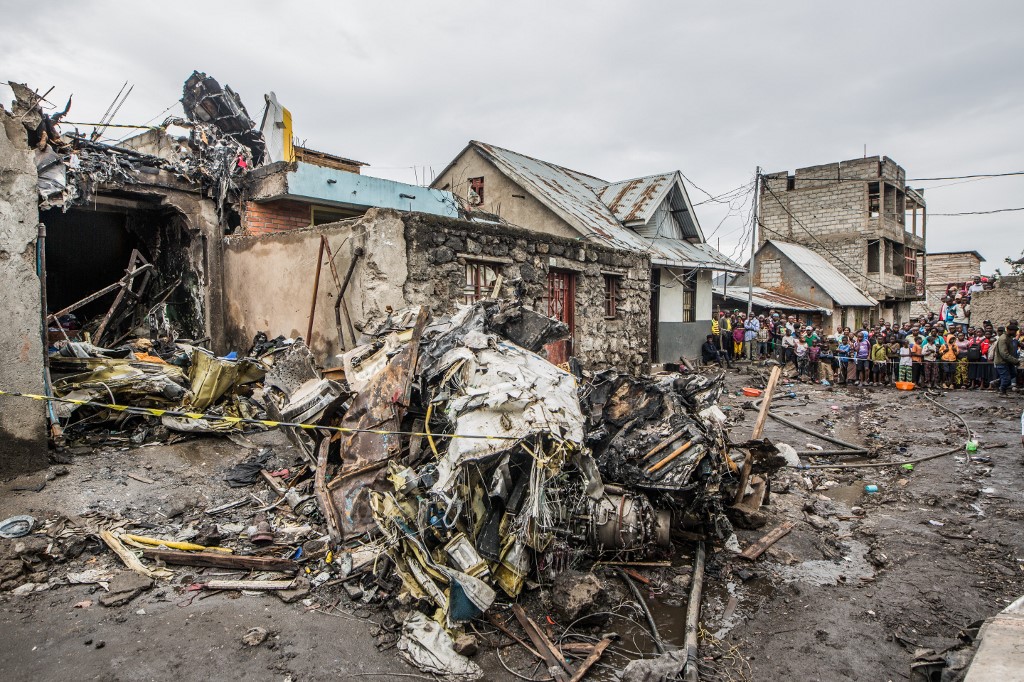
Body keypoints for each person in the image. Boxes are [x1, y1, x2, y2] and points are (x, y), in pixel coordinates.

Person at [994, 322, 1020, 396]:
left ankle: (997, 382)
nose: (1015, 333)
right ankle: (1002, 392)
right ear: (1008, 330)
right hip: (1002, 362)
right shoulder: (1003, 339)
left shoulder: (1009, 338)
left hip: (1008, 362)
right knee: (1007, 379)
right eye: (1014, 331)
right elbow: (1004, 354)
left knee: (1013, 373)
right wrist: (1015, 361)